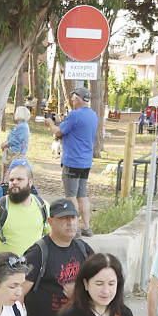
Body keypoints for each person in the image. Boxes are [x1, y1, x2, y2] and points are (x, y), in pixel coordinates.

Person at [44, 86, 98, 237]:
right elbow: (75, 129)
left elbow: (58, 132)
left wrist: (50, 123)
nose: (72, 101)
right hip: (86, 162)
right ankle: (86, 227)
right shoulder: (93, 115)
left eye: (73, 98)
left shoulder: (74, 114)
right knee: (82, 196)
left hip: (72, 161)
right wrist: (61, 121)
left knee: (71, 196)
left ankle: (76, 228)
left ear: (77, 99)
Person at [0, 163, 49, 258]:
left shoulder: (43, 206)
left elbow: (53, 237)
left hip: (34, 266)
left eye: (19, 179)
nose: (14, 182)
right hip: (5, 266)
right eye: (12, 180)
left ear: (30, 182)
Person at [0, 106, 30, 182]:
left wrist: (5, 145)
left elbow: (15, 140)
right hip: (13, 154)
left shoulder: (23, 127)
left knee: (12, 176)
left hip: (17, 155)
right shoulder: (21, 126)